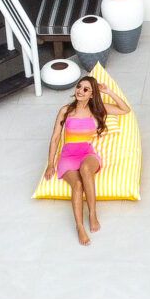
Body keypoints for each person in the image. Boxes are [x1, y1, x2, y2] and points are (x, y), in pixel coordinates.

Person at [43, 75, 119, 245]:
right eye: (79, 87)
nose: (80, 91)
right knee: (77, 185)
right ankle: (79, 226)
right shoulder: (66, 111)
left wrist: (108, 91)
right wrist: (50, 163)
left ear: (92, 94)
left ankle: (92, 213)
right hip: (68, 156)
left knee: (85, 170)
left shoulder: (96, 110)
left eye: (86, 89)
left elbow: (125, 109)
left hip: (87, 154)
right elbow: (55, 138)